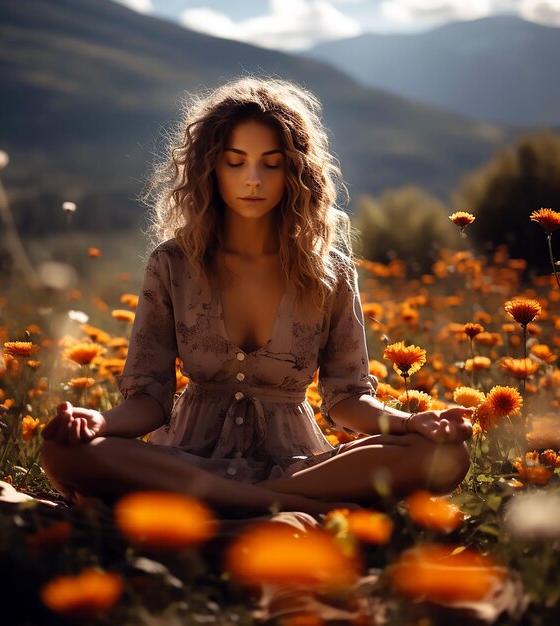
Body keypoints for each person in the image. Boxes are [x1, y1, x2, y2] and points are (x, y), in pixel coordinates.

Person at [40, 77, 472, 517]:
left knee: (446, 456)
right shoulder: (172, 263)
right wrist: (98, 422)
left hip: (297, 467)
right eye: (235, 162)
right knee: (63, 451)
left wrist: (411, 422)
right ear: (210, 167)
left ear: (296, 171)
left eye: (271, 163)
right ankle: (277, 505)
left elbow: (347, 398)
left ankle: (241, 501)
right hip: (189, 459)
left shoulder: (331, 270)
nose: (252, 179)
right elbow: (149, 399)